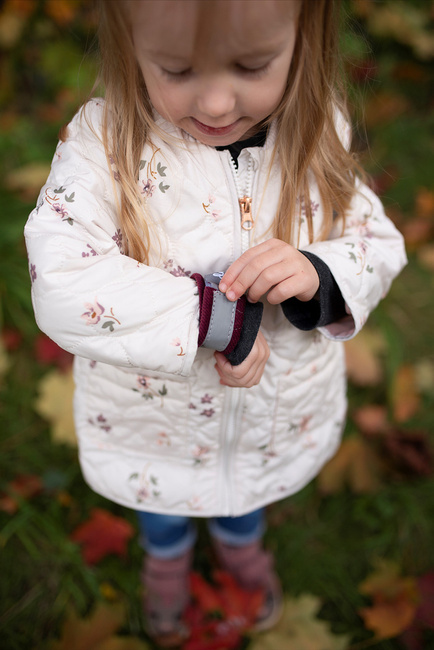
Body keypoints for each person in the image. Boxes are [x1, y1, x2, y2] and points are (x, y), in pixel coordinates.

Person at [25, 0, 407, 646]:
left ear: (303, 38)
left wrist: (319, 273)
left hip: (270, 410)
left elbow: (378, 242)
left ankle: (239, 542)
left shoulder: (318, 131)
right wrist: (211, 316)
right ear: (129, 44)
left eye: (252, 66)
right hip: (154, 423)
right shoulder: (105, 144)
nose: (219, 104)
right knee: (161, 501)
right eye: (175, 70)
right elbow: (60, 276)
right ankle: (166, 557)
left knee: (247, 489)